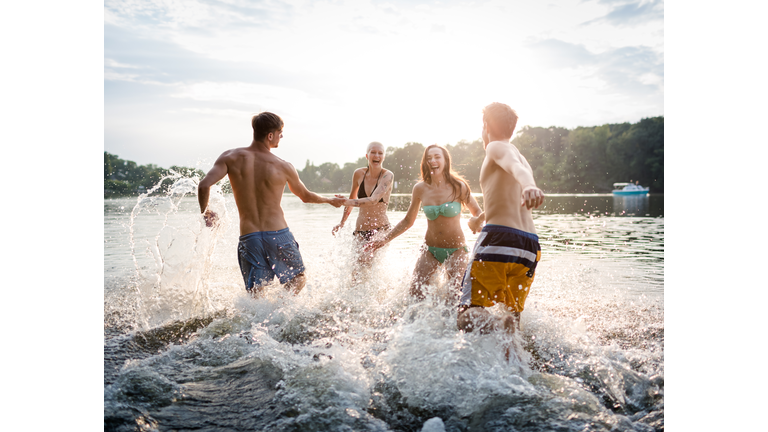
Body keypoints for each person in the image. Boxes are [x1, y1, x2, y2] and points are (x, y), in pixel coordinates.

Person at [197, 112, 345, 296]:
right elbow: (305, 196)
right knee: (297, 279)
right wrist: (331, 200)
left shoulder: (230, 157)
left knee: (255, 293)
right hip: (278, 235)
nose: (281, 137)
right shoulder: (283, 166)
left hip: (249, 237)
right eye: (280, 132)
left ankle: (258, 322)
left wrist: (206, 212)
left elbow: (204, 186)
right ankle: (280, 314)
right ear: (270, 135)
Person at [457, 102, 545, 336]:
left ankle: (497, 326)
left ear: (485, 125)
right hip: (528, 246)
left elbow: (517, 170)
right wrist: (480, 218)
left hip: (499, 239)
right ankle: (515, 358)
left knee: (467, 315)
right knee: (512, 313)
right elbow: (509, 193)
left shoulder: (496, 147)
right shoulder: (521, 156)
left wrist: (529, 186)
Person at [368, 144, 482, 299]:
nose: (432, 160)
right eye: (429, 158)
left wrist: (476, 223)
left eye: (437, 157)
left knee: (454, 298)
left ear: (445, 161)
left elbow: (478, 213)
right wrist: (385, 239)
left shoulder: (459, 186)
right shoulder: (420, 188)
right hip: (430, 250)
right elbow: (408, 220)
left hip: (457, 250)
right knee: (414, 295)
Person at [332, 141, 394, 264]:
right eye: (373, 152)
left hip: (381, 230)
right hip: (360, 231)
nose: (377, 156)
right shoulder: (358, 174)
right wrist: (342, 223)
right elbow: (352, 199)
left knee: (367, 263)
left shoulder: (387, 176)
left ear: (384, 157)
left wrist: (345, 201)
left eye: (380, 153)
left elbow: (373, 200)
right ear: (367, 155)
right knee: (355, 271)